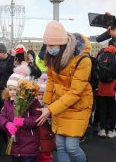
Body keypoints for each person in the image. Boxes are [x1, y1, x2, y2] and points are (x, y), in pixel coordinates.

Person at [36, 21, 93, 162]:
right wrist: (46, 105)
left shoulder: (83, 61)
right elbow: (51, 82)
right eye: (47, 45)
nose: (49, 49)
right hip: (58, 107)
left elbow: (75, 93)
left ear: (62, 44)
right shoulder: (52, 57)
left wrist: (50, 109)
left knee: (72, 147)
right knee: (60, 146)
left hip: (78, 107)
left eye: (52, 45)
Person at [0, 64, 41, 162]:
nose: (12, 92)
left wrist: (23, 122)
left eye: (15, 89)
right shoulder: (8, 102)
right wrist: (6, 124)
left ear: (22, 90)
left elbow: (37, 119)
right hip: (15, 145)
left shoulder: (32, 101)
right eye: (10, 89)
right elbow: (1, 116)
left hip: (29, 146)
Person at [96, 40, 116, 138]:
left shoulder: (101, 55)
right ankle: (111, 130)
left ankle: (102, 129)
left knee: (102, 109)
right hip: (113, 89)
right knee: (113, 110)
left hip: (101, 88)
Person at [36, 74, 55, 162]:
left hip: (46, 137)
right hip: (36, 139)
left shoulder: (51, 107)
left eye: (42, 95)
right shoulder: (32, 106)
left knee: (45, 157)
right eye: (37, 95)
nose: (39, 97)